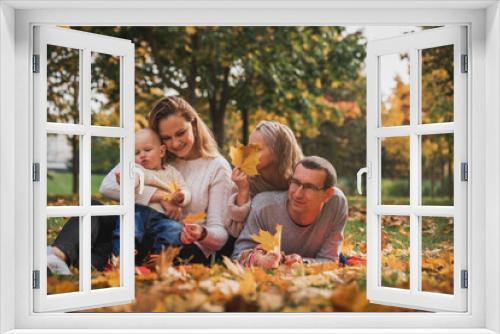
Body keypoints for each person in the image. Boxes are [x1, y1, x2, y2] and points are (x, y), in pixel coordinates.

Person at [48, 96, 231, 273]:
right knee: (95, 209)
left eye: (181, 133)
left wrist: (201, 233)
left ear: (194, 124)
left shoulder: (216, 167)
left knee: (115, 240)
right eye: (166, 137)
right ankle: (57, 256)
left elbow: (219, 236)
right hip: (139, 229)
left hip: (178, 242)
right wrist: (160, 196)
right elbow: (108, 185)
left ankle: (94, 262)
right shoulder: (152, 154)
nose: (174, 143)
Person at [231, 156, 348, 269]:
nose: (297, 194)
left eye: (309, 187)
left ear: (327, 195)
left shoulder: (336, 203)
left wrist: (301, 262)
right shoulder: (263, 208)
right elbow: (237, 257)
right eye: (295, 182)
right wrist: (258, 260)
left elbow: (330, 260)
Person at [219, 121, 304, 257]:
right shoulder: (245, 177)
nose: (250, 154)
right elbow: (235, 232)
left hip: (293, 239)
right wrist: (243, 191)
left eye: (257, 149)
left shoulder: (300, 178)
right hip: (254, 242)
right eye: (249, 148)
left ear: (278, 151)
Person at [110, 128, 191, 264]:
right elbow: (134, 180)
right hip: (137, 212)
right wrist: (126, 181)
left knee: (174, 229)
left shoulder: (172, 173)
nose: (142, 155)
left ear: (161, 151)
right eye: (137, 153)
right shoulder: (137, 169)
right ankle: (122, 255)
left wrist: (182, 197)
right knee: (127, 224)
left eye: (147, 150)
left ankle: (160, 259)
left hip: (161, 217)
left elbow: (185, 189)